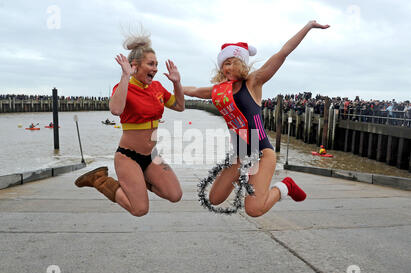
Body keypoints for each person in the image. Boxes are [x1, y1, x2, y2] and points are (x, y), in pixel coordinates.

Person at [184, 20, 329, 217]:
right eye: (224, 64)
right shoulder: (219, 91)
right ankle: (243, 178)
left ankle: (284, 187)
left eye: (232, 62)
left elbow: (283, 52)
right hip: (240, 154)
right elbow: (192, 91)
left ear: (241, 63)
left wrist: (309, 26)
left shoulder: (253, 82)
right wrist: (170, 86)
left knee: (253, 209)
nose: (227, 68)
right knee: (214, 198)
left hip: (262, 153)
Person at [75, 30, 185, 217]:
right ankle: (99, 179)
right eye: (151, 64)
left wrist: (176, 83)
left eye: (156, 64)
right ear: (135, 66)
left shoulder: (157, 87)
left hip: (151, 156)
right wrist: (125, 76)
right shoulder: (125, 87)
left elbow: (179, 106)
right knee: (139, 209)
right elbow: (116, 110)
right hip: (128, 157)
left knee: (175, 195)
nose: (155, 68)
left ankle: (140, 181)